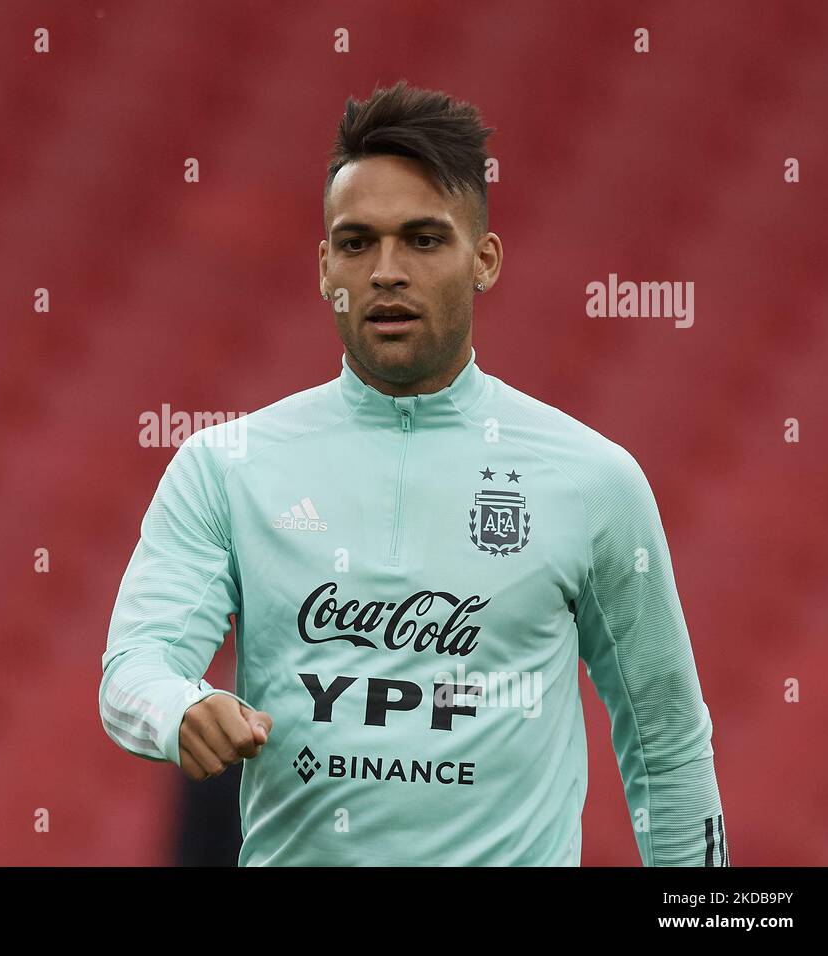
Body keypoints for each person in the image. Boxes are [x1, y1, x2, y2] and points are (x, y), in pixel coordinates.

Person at [99, 81, 728, 866]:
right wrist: (179, 708)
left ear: (484, 259)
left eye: (424, 240)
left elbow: (667, 744)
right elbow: (133, 669)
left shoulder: (593, 480)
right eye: (358, 243)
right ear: (326, 263)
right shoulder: (227, 467)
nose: (386, 271)